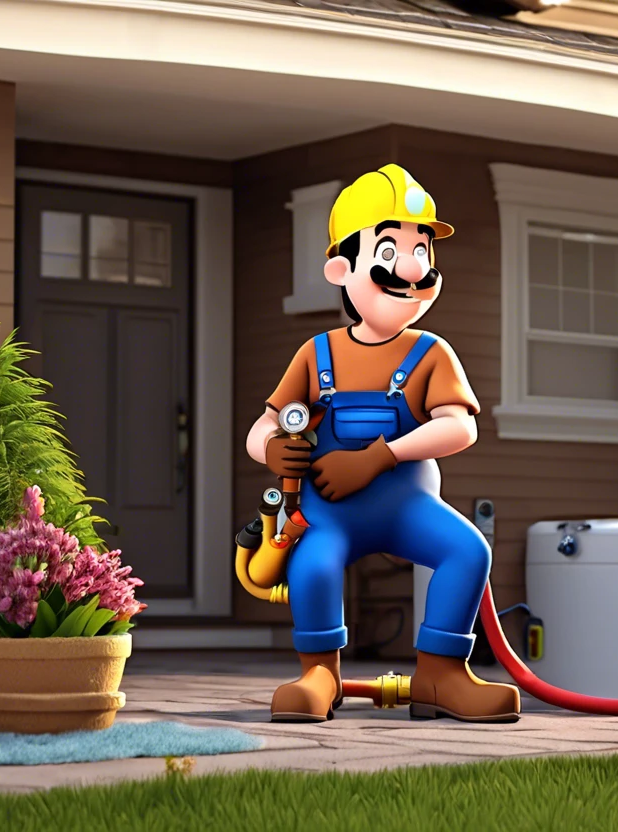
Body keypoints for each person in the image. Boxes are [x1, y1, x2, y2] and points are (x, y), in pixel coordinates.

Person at [245, 164, 520, 724]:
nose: (415, 268)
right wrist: (273, 449)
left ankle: (441, 674)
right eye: (392, 250)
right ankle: (321, 673)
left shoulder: (432, 352)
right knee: (313, 566)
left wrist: (378, 457)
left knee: (468, 551)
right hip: (328, 512)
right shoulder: (315, 354)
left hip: (408, 507)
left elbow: (460, 427)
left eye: (424, 250)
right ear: (340, 269)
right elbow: (264, 425)